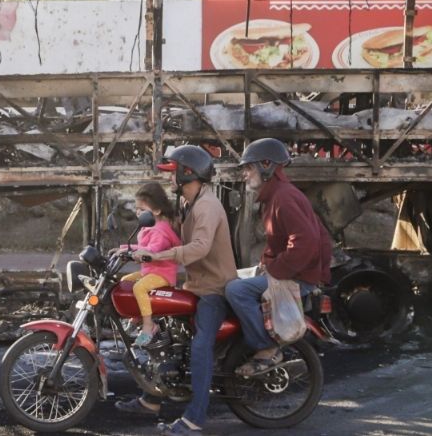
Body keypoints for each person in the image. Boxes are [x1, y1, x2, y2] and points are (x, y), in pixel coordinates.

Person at [114, 145, 238, 436]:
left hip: (214, 289)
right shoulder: (187, 204)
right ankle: (151, 399)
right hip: (194, 285)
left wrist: (157, 256)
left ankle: (194, 419)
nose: (170, 180)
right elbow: (164, 237)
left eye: (173, 174)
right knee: (168, 337)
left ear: (187, 173)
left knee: (199, 347)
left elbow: (199, 248)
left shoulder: (207, 206)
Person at [225, 138, 332, 378]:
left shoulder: (284, 197)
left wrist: (275, 271)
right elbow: (281, 243)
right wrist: (265, 265)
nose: (245, 174)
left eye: (249, 167)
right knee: (231, 280)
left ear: (266, 165)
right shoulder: (276, 197)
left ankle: (266, 348)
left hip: (298, 277)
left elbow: (305, 242)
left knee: (236, 291)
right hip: (291, 272)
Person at [119, 182, 182, 347]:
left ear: (156, 211)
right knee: (125, 281)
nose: (138, 213)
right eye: (137, 209)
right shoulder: (149, 226)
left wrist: (135, 253)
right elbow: (142, 248)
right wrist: (123, 249)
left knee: (138, 288)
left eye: (142, 210)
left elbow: (152, 250)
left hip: (163, 274)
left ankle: (149, 326)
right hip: (150, 271)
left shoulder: (161, 230)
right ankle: (137, 316)